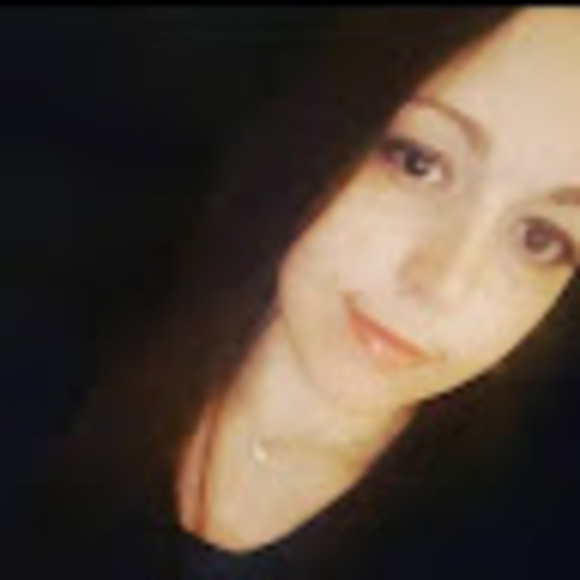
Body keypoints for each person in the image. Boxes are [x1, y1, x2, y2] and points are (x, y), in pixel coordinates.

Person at [19, 7, 580, 579]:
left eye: (540, 239)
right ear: (329, 122)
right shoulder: (47, 341)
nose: (442, 285)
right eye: (418, 163)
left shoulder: (527, 539)